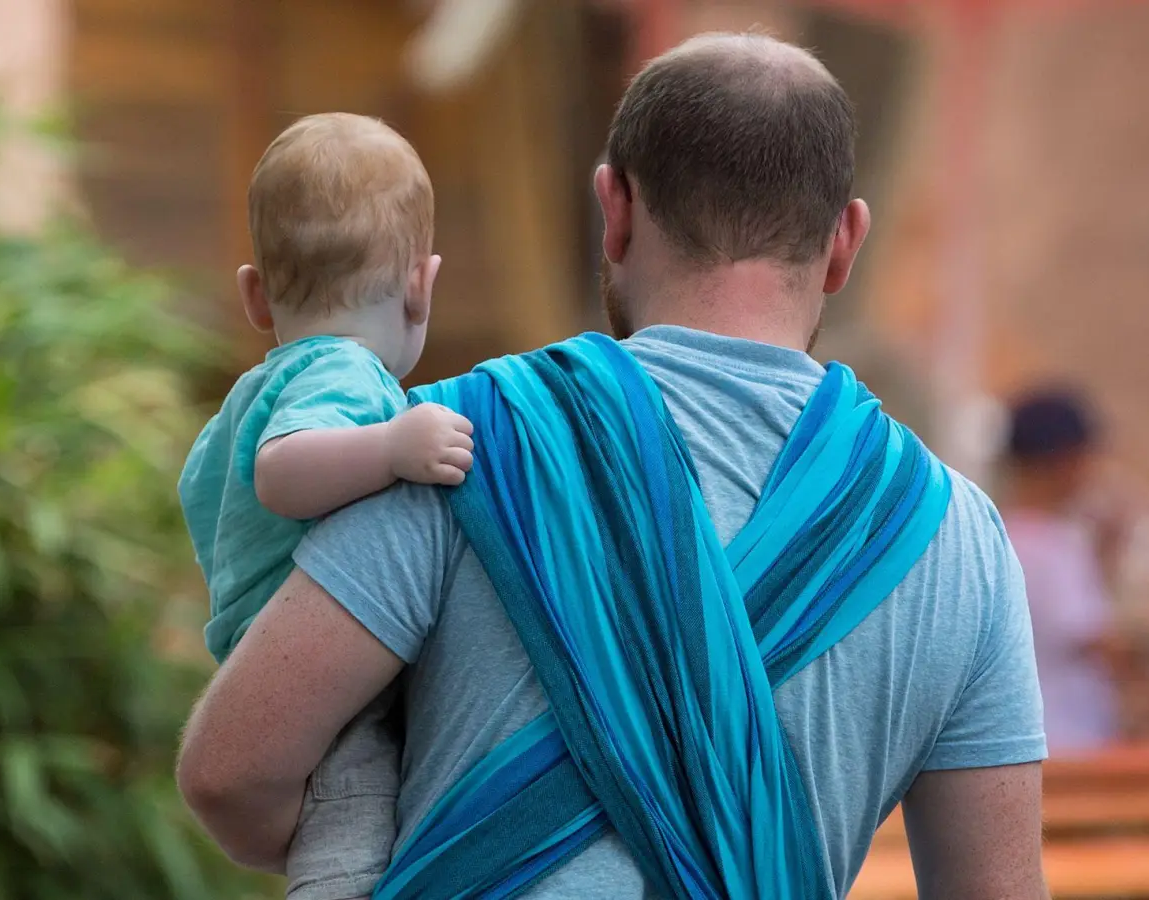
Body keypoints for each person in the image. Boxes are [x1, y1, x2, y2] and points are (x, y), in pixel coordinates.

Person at [179, 34, 1049, 899]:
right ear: (845, 241)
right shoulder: (956, 534)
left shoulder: (458, 439)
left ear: (615, 208)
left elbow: (232, 770)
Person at [176, 112, 475, 900]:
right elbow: (281, 474)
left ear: (254, 296)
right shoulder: (340, 375)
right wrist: (390, 450)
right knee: (353, 826)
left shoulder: (260, 388)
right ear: (421, 283)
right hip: (327, 681)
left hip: (271, 656)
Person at [1002, 388, 1140, 754]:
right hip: (1071, 745)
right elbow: (1098, 642)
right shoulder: (1054, 546)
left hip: (1025, 739)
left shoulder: (1002, 535)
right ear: (1065, 460)